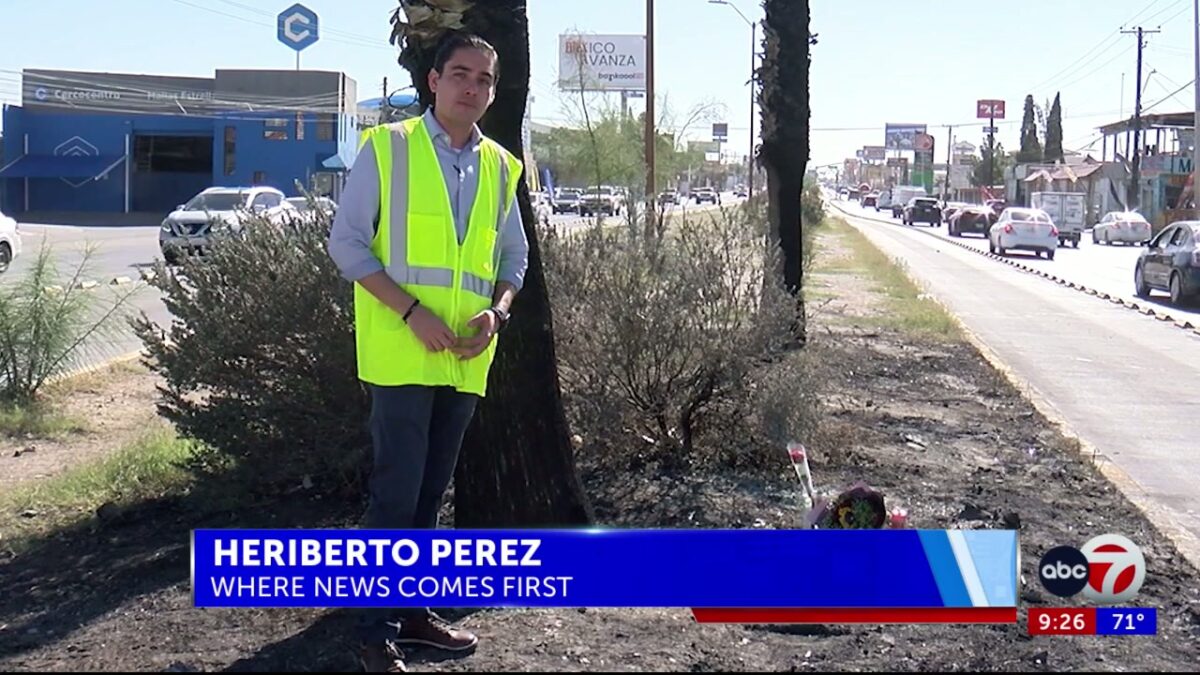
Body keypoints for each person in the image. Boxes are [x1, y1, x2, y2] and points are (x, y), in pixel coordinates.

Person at [327, 31, 529, 673]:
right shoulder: (387, 149)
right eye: (461, 74)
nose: (473, 87)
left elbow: (513, 259)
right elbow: (349, 246)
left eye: (485, 79)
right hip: (400, 351)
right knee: (396, 493)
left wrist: (496, 314)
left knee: (429, 495)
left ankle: (411, 618)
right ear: (433, 81)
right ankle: (369, 633)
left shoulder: (501, 165)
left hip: (466, 358)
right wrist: (412, 313)